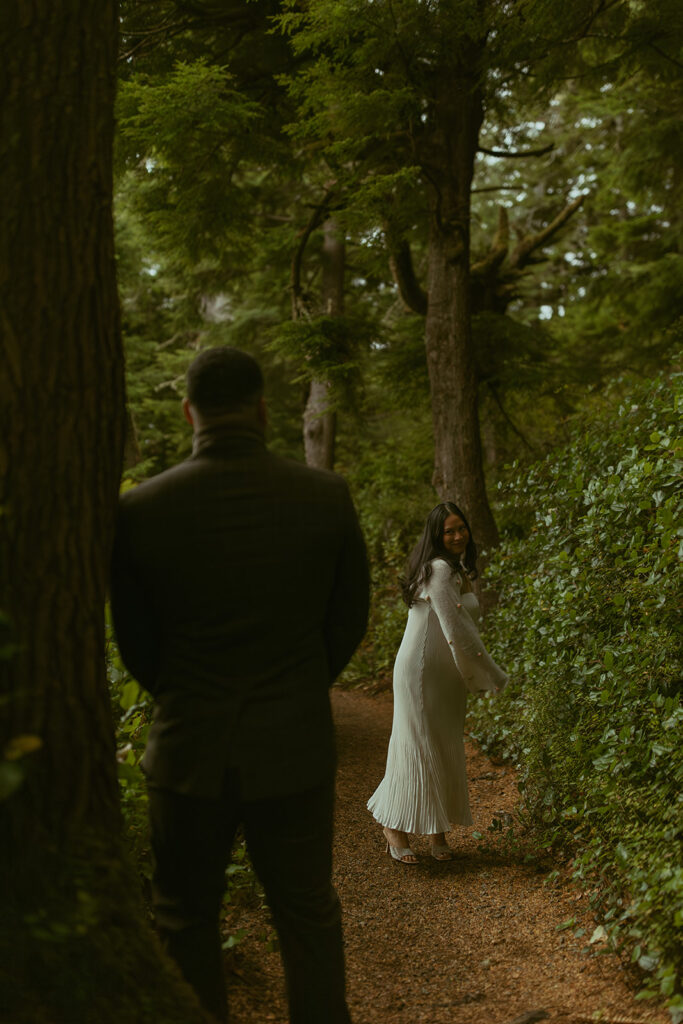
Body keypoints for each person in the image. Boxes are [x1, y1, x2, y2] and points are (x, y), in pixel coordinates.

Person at [109, 346, 369, 1023]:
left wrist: (186, 693)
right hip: (294, 744)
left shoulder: (141, 509)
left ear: (188, 410)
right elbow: (347, 621)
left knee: (184, 918)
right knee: (308, 914)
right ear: (261, 407)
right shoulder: (324, 497)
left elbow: (137, 642)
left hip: (187, 747)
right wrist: (297, 688)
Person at [367, 502, 508, 864]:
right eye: (450, 531)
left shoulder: (453, 569)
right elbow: (455, 626)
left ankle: (436, 831)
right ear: (437, 535)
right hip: (422, 671)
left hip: (446, 675)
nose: (458, 536)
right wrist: (492, 671)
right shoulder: (440, 569)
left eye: (462, 528)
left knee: (442, 744)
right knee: (418, 746)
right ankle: (393, 829)